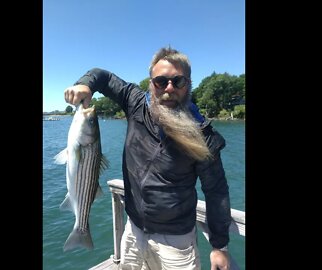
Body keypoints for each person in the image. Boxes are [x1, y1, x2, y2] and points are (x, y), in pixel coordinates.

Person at [64, 47, 232, 270]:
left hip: (176, 242)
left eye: (178, 81)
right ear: (151, 83)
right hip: (133, 230)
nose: (169, 88)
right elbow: (102, 76)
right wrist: (86, 83)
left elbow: (216, 191)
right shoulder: (136, 103)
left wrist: (220, 247)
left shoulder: (203, 136)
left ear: (188, 84)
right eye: (161, 81)